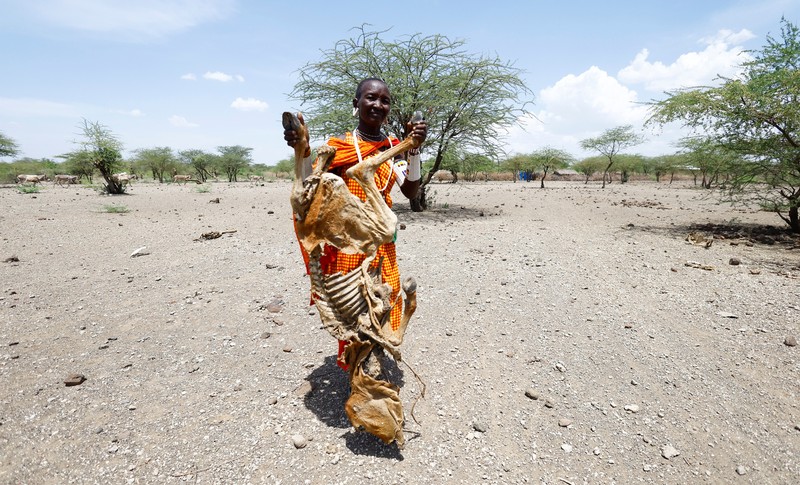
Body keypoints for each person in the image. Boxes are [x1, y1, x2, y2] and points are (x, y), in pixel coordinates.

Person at [284, 77, 428, 369]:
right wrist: (302, 149)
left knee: (385, 301)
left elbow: (411, 191)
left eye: (384, 100)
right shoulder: (340, 147)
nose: (377, 105)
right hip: (347, 246)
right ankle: (359, 369)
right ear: (356, 104)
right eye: (370, 98)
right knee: (351, 307)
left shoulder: (393, 147)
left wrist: (413, 149)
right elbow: (310, 184)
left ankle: (373, 359)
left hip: (381, 244)